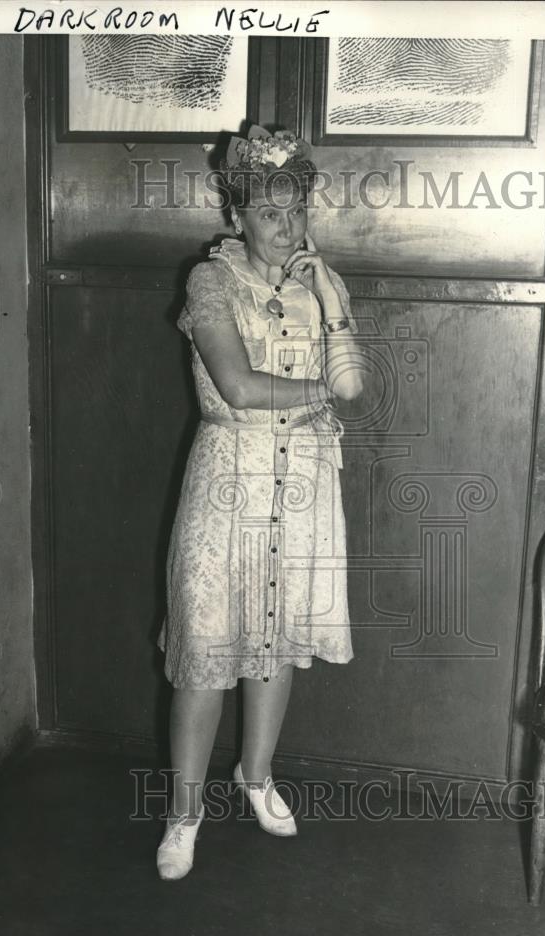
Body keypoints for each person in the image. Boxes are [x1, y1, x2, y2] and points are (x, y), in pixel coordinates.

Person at [155, 125, 365, 880]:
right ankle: (182, 815)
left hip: (302, 477)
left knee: (275, 640)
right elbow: (240, 389)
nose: (286, 226)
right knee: (206, 650)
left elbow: (355, 382)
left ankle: (255, 777)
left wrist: (333, 298)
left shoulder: (317, 281)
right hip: (228, 476)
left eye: (297, 210)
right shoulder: (210, 282)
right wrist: (318, 395)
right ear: (237, 215)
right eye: (270, 213)